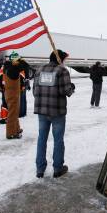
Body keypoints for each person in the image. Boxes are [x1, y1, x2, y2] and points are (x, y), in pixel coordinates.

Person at [33, 50, 74, 178]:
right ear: (59, 59)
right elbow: (66, 91)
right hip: (57, 112)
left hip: (42, 111)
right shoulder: (62, 71)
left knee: (42, 139)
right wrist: (72, 87)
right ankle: (58, 168)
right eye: (64, 59)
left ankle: (40, 169)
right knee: (58, 140)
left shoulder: (39, 70)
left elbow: (35, 91)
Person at [4, 52, 25, 139]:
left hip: (10, 93)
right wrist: (21, 61)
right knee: (12, 113)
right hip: (13, 94)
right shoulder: (13, 69)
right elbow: (24, 66)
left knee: (14, 112)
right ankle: (11, 133)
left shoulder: (8, 67)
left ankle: (17, 129)